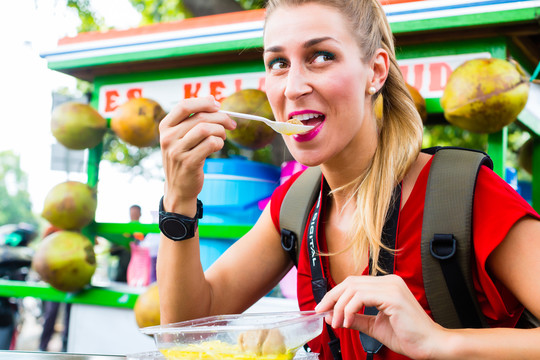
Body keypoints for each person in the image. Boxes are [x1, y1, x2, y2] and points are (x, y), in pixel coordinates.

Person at [157, 0, 540, 359]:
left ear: (375, 71)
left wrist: (441, 341)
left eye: (321, 57)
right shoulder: (294, 208)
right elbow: (186, 330)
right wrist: (179, 201)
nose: (293, 87)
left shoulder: (466, 198)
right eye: (278, 63)